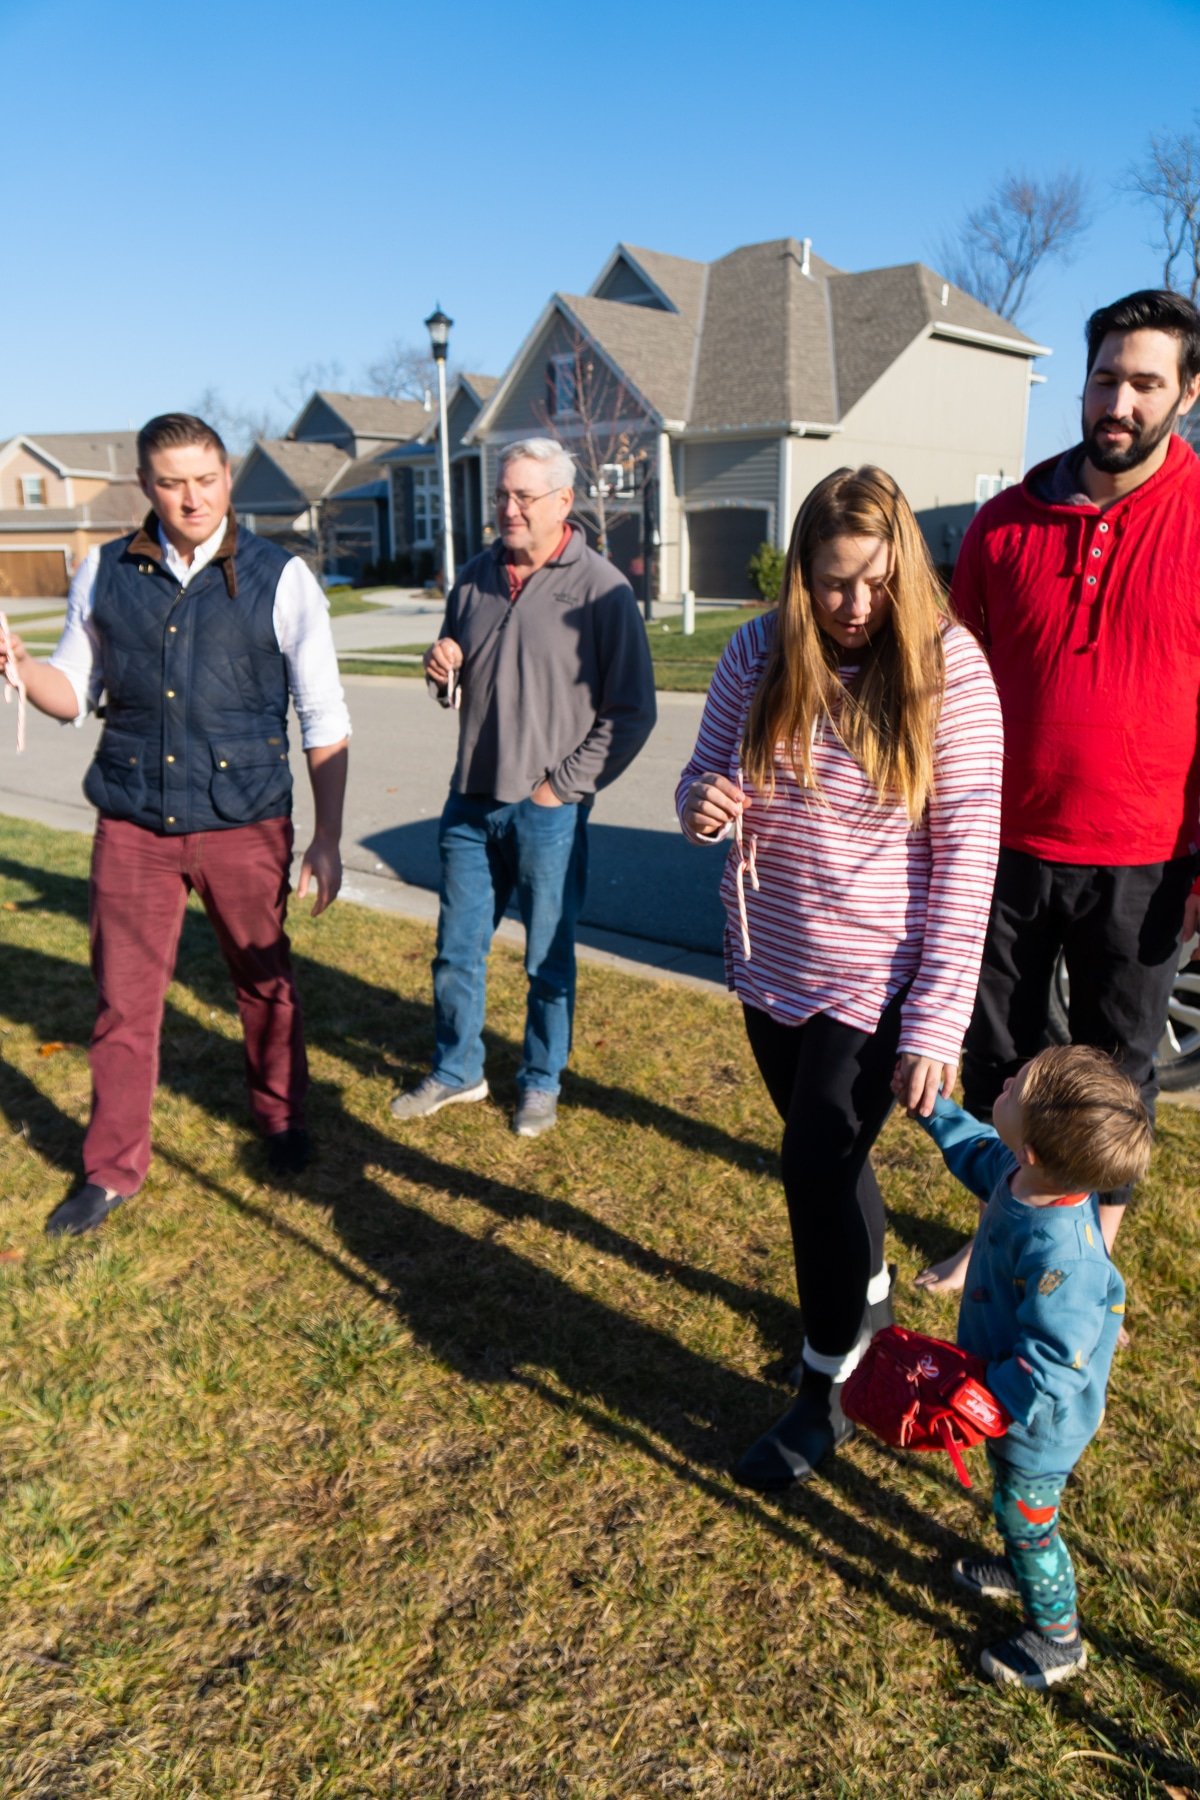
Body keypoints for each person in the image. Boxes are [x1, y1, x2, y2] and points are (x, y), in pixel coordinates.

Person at [676, 465, 1002, 1487]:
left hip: (879, 973)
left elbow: (967, 850)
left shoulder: (951, 670)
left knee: (813, 1162)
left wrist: (938, 1020)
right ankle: (868, 1311)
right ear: (800, 579)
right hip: (772, 959)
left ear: (904, 569)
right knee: (835, 1164)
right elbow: (697, 773)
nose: (856, 607)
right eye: (832, 583)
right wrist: (703, 804)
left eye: (875, 581)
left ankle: (826, 1393)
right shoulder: (755, 651)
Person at [0, 413, 350, 1235]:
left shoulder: (283, 577)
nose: (190, 498)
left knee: (265, 984)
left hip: (245, 821)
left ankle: (281, 1118)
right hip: (133, 824)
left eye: (205, 479)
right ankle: (111, 1169)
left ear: (227, 476)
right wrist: (19, 669)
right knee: (123, 1004)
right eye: (170, 482)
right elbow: (71, 695)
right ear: (145, 486)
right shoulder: (105, 570)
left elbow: (324, 717)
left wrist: (328, 838)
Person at [919, 289, 1200, 1296]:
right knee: (1001, 1060)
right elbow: (951, 700)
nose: (1118, 402)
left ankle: (1082, 1260)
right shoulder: (1003, 528)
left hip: (1148, 858)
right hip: (1007, 847)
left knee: (1117, 1074)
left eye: (1145, 382)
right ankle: (1006, 1223)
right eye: (1103, 379)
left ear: (1188, 392)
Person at [390, 439, 656, 1139]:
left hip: (547, 813)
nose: (507, 509)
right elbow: (454, 681)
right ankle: (457, 1071)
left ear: (563, 503)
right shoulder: (473, 578)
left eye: (523, 497)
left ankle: (540, 1081)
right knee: (455, 951)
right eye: (501, 496)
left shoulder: (602, 589)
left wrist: (560, 789)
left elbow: (633, 712)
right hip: (470, 802)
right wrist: (439, 667)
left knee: (548, 959)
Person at [904, 1045, 1150, 1689]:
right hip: (1001, 1401)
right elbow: (974, 1151)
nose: (1006, 1079)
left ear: (1036, 1150)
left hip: (1037, 1425)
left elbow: (1053, 1369)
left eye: (1016, 1089)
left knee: (1027, 1516)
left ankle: (1057, 1637)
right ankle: (1019, 1565)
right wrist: (935, 1111)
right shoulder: (1020, 1176)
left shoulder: (1064, 1257)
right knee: (1012, 1502)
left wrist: (979, 1404)